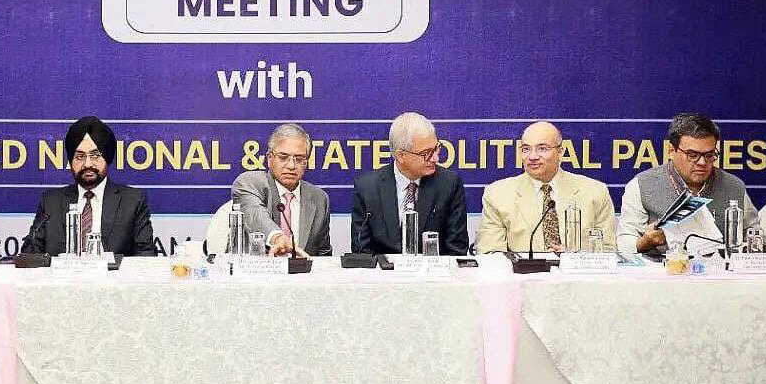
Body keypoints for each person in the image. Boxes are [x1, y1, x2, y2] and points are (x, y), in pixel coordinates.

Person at [617, 112, 762, 255]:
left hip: (721, 268)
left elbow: (757, 239)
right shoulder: (641, 185)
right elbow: (624, 243)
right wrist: (645, 242)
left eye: (709, 155)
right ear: (671, 151)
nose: (702, 162)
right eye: (693, 155)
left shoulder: (734, 186)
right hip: (664, 268)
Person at [22, 116, 156, 256]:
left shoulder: (132, 201)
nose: (87, 164)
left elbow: (146, 256)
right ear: (71, 161)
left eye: (95, 155)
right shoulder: (51, 202)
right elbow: (30, 253)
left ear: (107, 158)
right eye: (80, 156)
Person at [476, 121, 615, 254]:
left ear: (560, 152)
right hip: (521, 271)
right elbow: (489, 252)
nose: (532, 156)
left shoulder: (595, 192)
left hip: (578, 271)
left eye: (542, 148)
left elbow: (608, 251)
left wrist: (575, 257)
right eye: (526, 149)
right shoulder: (497, 194)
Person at [350, 112, 468, 255]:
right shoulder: (367, 188)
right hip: (383, 268)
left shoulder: (449, 184)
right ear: (401, 156)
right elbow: (362, 253)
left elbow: (456, 250)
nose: (436, 158)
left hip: (433, 268)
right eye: (427, 153)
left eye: (437, 148)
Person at [230, 123, 331, 256]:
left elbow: (323, 253)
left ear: (306, 162)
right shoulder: (249, 183)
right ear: (270, 159)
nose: (291, 165)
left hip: (301, 269)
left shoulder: (319, 198)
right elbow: (255, 215)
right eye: (283, 157)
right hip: (255, 268)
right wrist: (277, 238)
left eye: (299, 159)